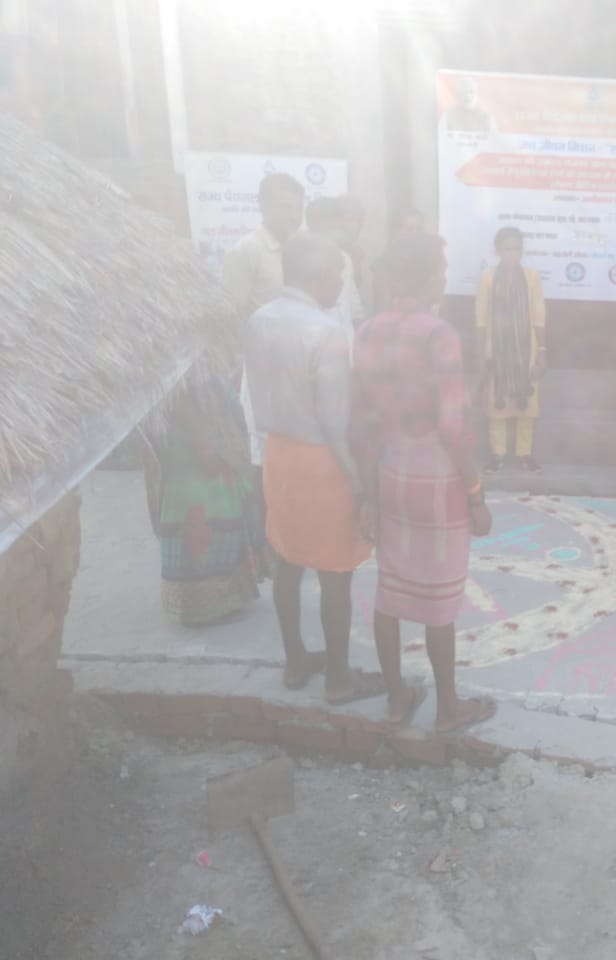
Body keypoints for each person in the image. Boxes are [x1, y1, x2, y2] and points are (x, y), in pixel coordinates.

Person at [350, 234, 499, 731]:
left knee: (389, 590)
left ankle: (397, 699)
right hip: (437, 477)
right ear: (433, 276)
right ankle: (448, 708)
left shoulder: (367, 332)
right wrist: (475, 494)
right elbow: (453, 426)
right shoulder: (439, 335)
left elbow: (361, 423)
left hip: (390, 469)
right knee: (440, 601)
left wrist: (367, 495)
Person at [244, 233, 381, 704]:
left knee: (288, 559)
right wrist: (360, 485)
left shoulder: (259, 319)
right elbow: (334, 422)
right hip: (323, 463)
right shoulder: (327, 332)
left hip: (279, 455)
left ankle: (296, 660)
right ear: (317, 276)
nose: (342, 283)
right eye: (338, 274)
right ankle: (339, 679)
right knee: (335, 573)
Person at [142, 375, 266, 626]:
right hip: (194, 452)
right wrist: (205, 446)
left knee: (195, 514)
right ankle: (209, 600)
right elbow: (183, 397)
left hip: (186, 452)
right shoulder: (182, 368)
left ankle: (201, 600)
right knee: (204, 516)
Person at [222, 173, 305, 469]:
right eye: (285, 207)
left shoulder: (302, 249)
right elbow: (231, 314)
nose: (294, 216)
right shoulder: (246, 251)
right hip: (265, 369)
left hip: (303, 365)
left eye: (298, 208)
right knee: (267, 453)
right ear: (262, 206)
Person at [475, 227, 548, 474]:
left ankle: (525, 454)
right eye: (508, 249)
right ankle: (497, 455)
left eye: (517, 249)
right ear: (498, 250)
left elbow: (539, 315)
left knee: (527, 401)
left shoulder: (532, 277)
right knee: (495, 401)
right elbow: (481, 318)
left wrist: (542, 351)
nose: (513, 254)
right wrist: (479, 355)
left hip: (526, 349)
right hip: (495, 349)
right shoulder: (487, 277)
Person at [306, 196, 365, 330]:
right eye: (330, 228)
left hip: (345, 339)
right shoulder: (302, 262)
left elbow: (354, 310)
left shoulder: (346, 259)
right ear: (312, 226)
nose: (335, 234)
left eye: (337, 228)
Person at [371, 208, 427, 314]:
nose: (416, 234)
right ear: (396, 231)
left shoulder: (430, 261)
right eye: (410, 229)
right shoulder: (384, 265)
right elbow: (383, 309)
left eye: (419, 229)